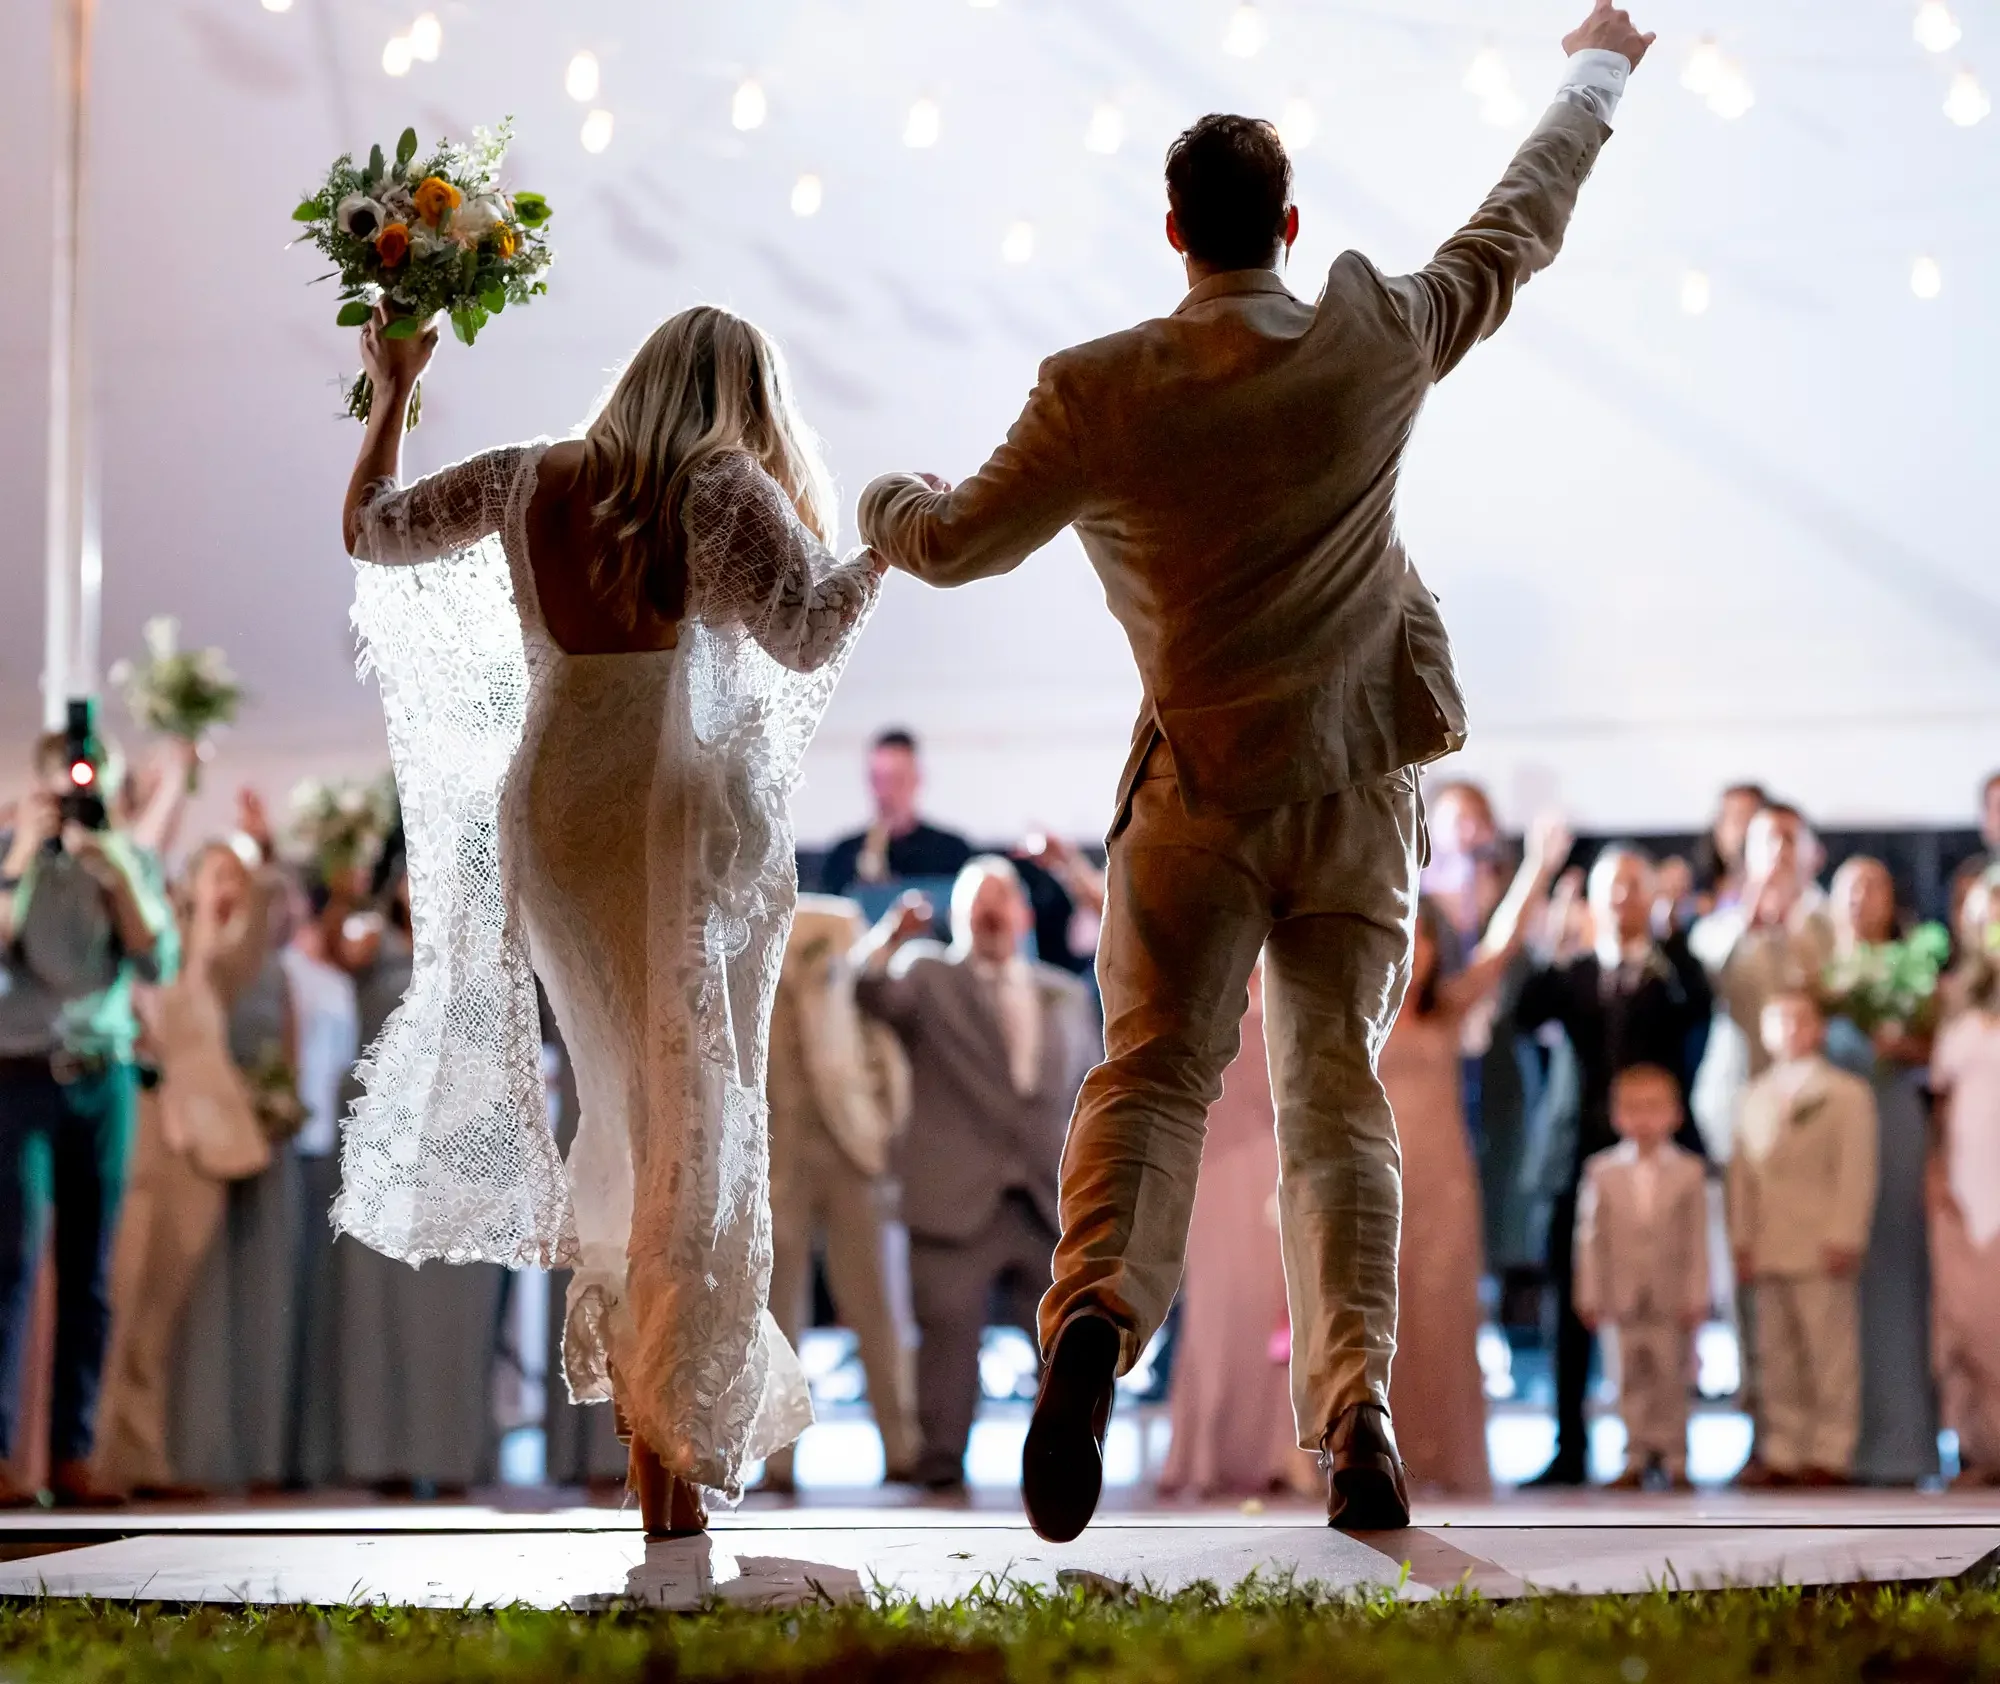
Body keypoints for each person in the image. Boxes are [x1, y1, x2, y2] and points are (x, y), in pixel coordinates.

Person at [857, 2, 1655, 1541]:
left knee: (1150, 1081)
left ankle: (1092, 1317)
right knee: (1335, 1101)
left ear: (1173, 233)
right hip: (1356, 794)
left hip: (1194, 805)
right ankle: (1353, 1411)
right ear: (1289, 227)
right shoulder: (1368, 339)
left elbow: (949, 547)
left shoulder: (1098, 390)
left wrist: (891, 497)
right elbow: (1517, 227)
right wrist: (1596, 72)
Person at [337, 303, 884, 1534]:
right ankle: (668, 1466)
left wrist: (392, 391)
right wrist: (885, 546)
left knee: (623, 1107)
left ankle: (656, 1452)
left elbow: (370, 530)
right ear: (738, 397)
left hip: (551, 806)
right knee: (688, 1109)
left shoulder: (531, 476)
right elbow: (804, 635)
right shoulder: (721, 485)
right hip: (663, 812)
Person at [854, 859, 1098, 1492]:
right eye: (978, 904)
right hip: (953, 1198)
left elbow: (1089, 1087)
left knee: (1070, 1349)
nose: (991, 914)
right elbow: (868, 991)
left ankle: (1067, 1471)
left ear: (1022, 915)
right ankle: (939, 1480)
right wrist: (892, 936)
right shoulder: (928, 976)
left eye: (1002, 902)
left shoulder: (1064, 992)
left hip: (1046, 1202)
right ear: (961, 916)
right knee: (947, 1348)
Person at [0, 729, 176, 1507]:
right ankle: (2, 1458)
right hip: (19, 1076)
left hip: (102, 1079)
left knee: (91, 1274)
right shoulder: (12, 855)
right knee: (8, 1262)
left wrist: (116, 872)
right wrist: (21, 862)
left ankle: (74, 1455)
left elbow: (156, 960)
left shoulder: (127, 860)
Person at [1382, 820, 1571, 1496]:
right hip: (1378, 1184)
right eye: (1401, 938)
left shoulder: (1450, 1010)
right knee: (1384, 1319)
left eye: (1425, 938)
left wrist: (1539, 867)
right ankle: (1380, 1460)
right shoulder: (1353, 1019)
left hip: (1444, 1181)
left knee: (1443, 1316)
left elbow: (1503, 944)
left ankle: (1444, 1459)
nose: (1415, 951)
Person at [1513, 844, 1712, 1486]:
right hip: (1575, 1159)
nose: (1622, 899)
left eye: (1635, 886)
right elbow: (1525, 1012)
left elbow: (1699, 1008)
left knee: (1657, 1313)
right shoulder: (1572, 974)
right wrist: (1556, 929)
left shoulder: (1666, 977)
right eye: (1612, 888)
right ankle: (1570, 1446)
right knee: (1571, 1306)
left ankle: (1660, 1448)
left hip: (1652, 1162)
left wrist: (1671, 928)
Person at [93, 831, 283, 1497]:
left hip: (203, 1152)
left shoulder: (218, 959)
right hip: (143, 1136)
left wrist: (251, 876)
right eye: (214, 874)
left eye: (231, 877)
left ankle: (140, 1459)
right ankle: (92, 1458)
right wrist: (196, 909)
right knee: (116, 1296)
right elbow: (158, 1012)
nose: (224, 888)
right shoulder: (153, 937)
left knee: (159, 1315)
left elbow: (248, 942)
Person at [335, 862, 507, 1494]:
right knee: (379, 1310)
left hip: (461, 1147)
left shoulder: (484, 950)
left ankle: (457, 1455)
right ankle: (387, 1458)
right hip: (385, 1146)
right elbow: (336, 943)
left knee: (454, 1313)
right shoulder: (368, 942)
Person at [763, 894, 919, 1493]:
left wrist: (881, 1131)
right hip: (781, 1155)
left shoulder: (837, 933)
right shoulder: (742, 935)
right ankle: (778, 1459)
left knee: (877, 1302)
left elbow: (879, 1049)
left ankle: (902, 1447)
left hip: (851, 1150)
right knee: (778, 1315)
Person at [1157, 965, 1316, 1500]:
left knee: (1275, 1315)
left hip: (1274, 1175)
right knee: (1213, 1314)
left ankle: (1279, 1453)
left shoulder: (1292, 1003)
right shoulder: (1195, 1001)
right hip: (1213, 1175)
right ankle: (1204, 1454)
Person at [1727, 988, 1878, 1487]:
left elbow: (1856, 1171)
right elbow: (1742, 1176)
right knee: (1775, 1353)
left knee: (1828, 1352)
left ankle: (1831, 1451)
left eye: (1800, 1020)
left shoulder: (1846, 1094)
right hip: (1770, 1241)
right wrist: (1741, 1239)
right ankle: (1784, 1449)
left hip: (1820, 1241)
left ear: (1819, 1029)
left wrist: (1845, 1233)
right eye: (1780, 1020)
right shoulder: (1753, 1095)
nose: (1791, 1029)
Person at [1821, 855, 1940, 1486]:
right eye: (1851, 885)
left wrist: (1907, 1044)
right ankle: (1829, 1443)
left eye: (1876, 884)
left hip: (1894, 1128)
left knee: (1898, 1278)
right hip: (1824, 1148)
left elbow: (1940, 1055)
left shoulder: (1915, 972)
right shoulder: (1812, 969)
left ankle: (1905, 1447)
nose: (1862, 896)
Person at [1573, 1065, 1710, 1490]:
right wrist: (1590, 1293)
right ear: (1616, 1116)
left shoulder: (1690, 1171)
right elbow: (1589, 1237)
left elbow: (1700, 1238)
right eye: (1633, 1108)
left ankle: (1675, 1457)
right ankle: (1633, 1454)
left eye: (1654, 1108)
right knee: (1627, 1378)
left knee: (1672, 1377)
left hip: (1671, 1295)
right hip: (1621, 1295)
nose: (1644, 1118)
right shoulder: (1602, 1170)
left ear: (1675, 1114)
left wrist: (1699, 1293)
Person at [1929, 879, 2000, 1486]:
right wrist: (1934, 1173)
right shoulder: (1955, 1000)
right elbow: (1941, 1103)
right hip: (1965, 1179)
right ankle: (1978, 1450)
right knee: (1967, 1325)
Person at [818, 731, 973, 898]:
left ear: (917, 780)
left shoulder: (952, 853)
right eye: (878, 780)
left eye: (896, 780)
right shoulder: (843, 856)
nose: (885, 793)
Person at [1692, 783, 1770, 916]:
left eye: (1752, 819)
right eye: (1737, 819)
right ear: (1718, 830)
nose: (1745, 831)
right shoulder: (1694, 899)